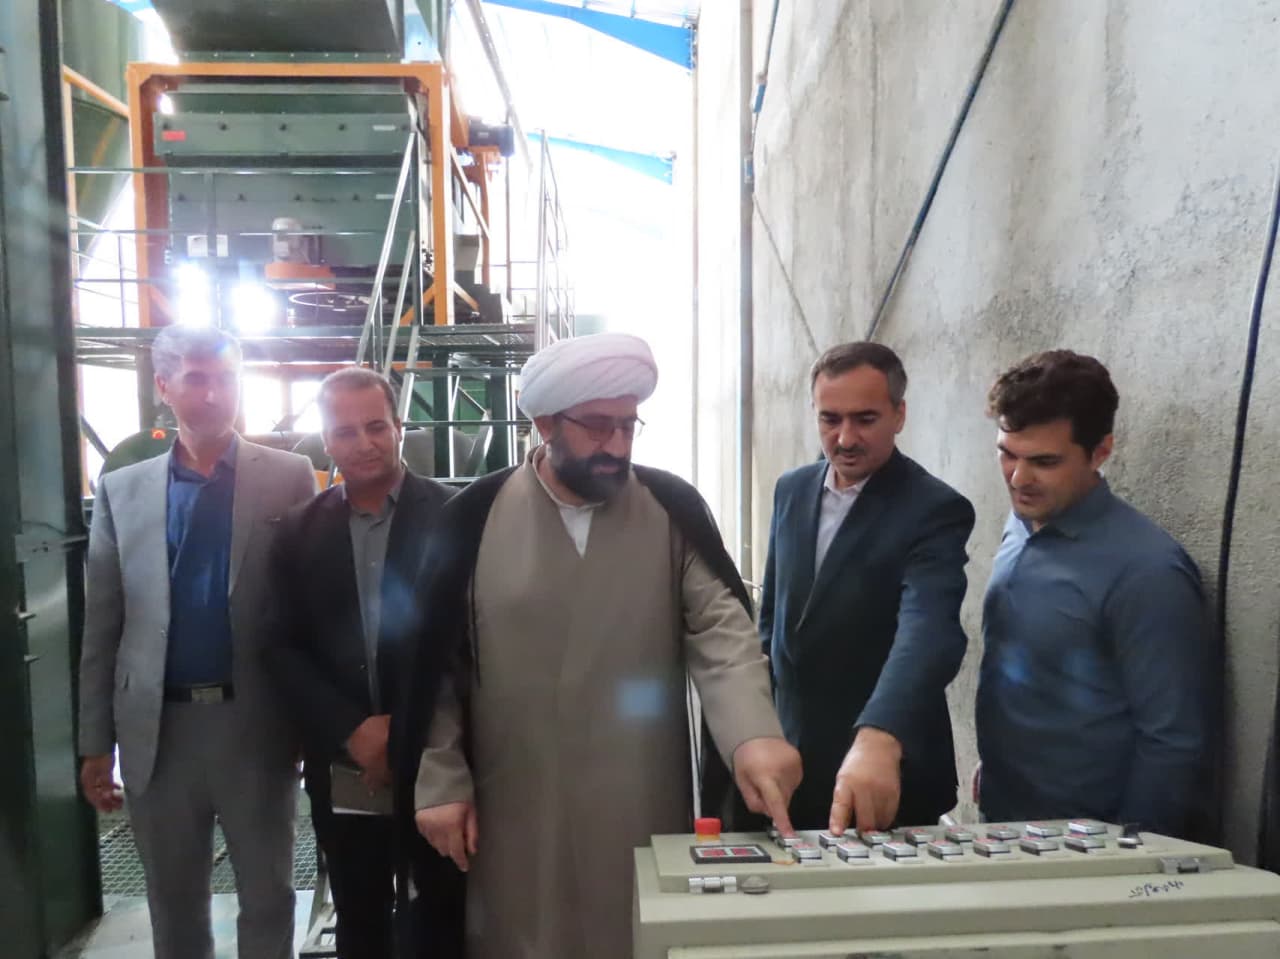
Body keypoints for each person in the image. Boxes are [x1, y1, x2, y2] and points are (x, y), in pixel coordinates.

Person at [396, 332, 802, 959]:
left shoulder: (669, 509)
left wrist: (753, 736)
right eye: (597, 427)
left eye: (627, 426)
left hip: (641, 790)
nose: (616, 445)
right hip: (514, 797)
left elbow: (720, 629)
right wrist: (441, 782)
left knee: (637, 933)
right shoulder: (474, 516)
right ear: (544, 423)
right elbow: (435, 670)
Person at [77, 325, 316, 959]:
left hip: (256, 723)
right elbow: (103, 624)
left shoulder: (288, 477)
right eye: (196, 379)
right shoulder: (123, 490)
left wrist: (311, 725)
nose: (213, 395)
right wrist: (95, 741)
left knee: (268, 896)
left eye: (226, 379)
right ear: (164, 386)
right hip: (157, 732)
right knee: (173, 901)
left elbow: (310, 611)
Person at [265, 367, 463, 959]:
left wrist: (404, 732)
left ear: (400, 427)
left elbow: (468, 643)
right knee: (360, 917)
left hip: (438, 760)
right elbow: (281, 645)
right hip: (344, 763)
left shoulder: (456, 517)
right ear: (327, 441)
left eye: (376, 426)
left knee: (446, 914)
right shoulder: (298, 531)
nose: (364, 442)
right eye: (345, 431)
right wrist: (352, 731)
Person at [977, 349, 1208, 835]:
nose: (1018, 478)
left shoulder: (1148, 572)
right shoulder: (1023, 523)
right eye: (1007, 453)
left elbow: (1171, 741)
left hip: (1089, 847)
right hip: (1002, 823)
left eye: (1044, 461)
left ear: (1101, 451)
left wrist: (1129, 857)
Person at [759, 341, 975, 835]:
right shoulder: (791, 489)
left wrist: (881, 735)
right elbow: (773, 618)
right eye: (830, 419)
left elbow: (928, 630)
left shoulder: (934, 509)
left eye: (865, 419)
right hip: (791, 767)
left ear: (900, 415)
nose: (845, 437)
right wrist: (760, 728)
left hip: (888, 776)